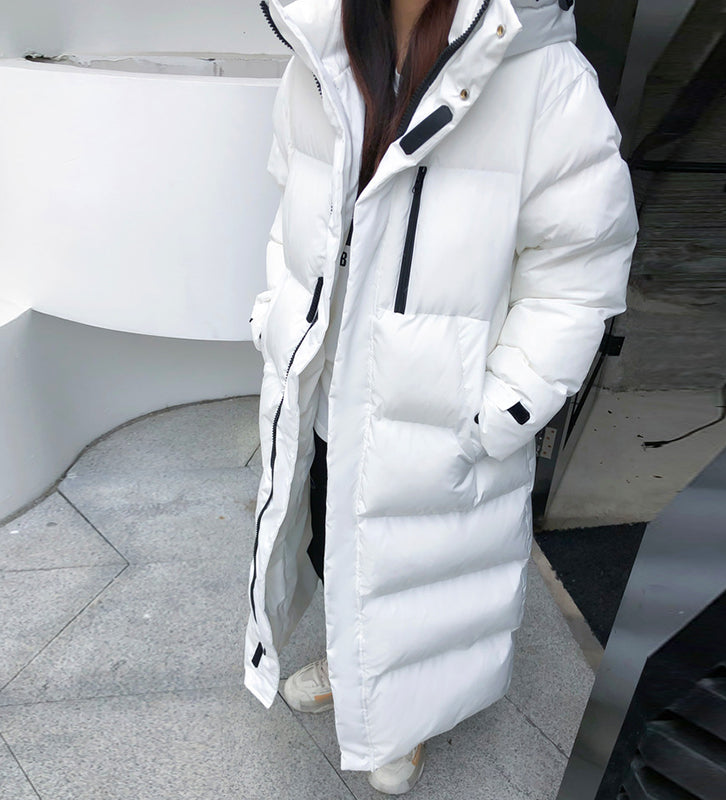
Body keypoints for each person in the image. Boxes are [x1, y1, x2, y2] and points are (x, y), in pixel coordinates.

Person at [246, 0, 639, 794]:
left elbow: (578, 267)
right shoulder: (316, 44)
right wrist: (275, 316)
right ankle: (356, 671)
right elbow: (293, 205)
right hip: (326, 380)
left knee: (425, 567)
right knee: (336, 537)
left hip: (442, 396)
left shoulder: (542, 71)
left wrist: (509, 401)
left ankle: (404, 717)